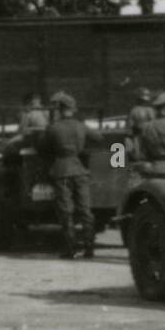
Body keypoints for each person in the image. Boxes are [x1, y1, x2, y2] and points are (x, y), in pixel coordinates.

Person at [37, 91, 102, 258]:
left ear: (59, 109)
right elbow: (99, 138)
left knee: (66, 210)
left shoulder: (53, 128)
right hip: (79, 170)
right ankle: (89, 247)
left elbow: (42, 147)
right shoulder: (81, 126)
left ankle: (70, 248)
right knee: (85, 209)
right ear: (73, 109)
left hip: (62, 172)